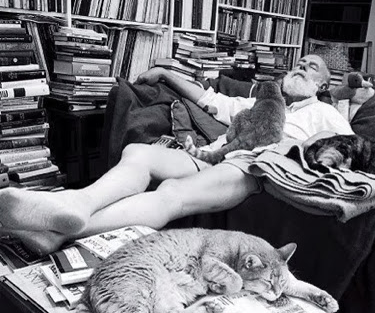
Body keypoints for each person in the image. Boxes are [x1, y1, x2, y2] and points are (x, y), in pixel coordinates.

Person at [0, 54, 354, 255]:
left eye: (311, 67)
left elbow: (350, 149)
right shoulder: (260, 102)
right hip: (214, 155)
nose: (300, 67)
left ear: (323, 85)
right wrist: (166, 73)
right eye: (298, 63)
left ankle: (62, 232)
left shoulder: (325, 113)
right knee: (139, 152)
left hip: (253, 167)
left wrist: (310, 145)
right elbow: (209, 100)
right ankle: (77, 204)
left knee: (172, 193)